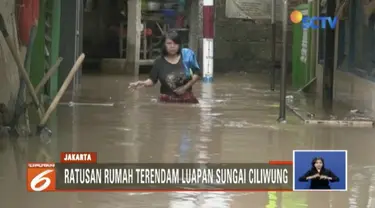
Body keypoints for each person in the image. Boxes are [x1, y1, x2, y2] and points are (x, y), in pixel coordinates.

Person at [128, 31, 201, 103]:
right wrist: (143, 83)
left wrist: (185, 88)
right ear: (164, 45)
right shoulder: (159, 62)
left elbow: (197, 73)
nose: (172, 46)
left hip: (187, 99)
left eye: (175, 43)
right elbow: (152, 80)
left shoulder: (186, 56)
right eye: (169, 43)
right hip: (166, 100)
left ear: (179, 45)